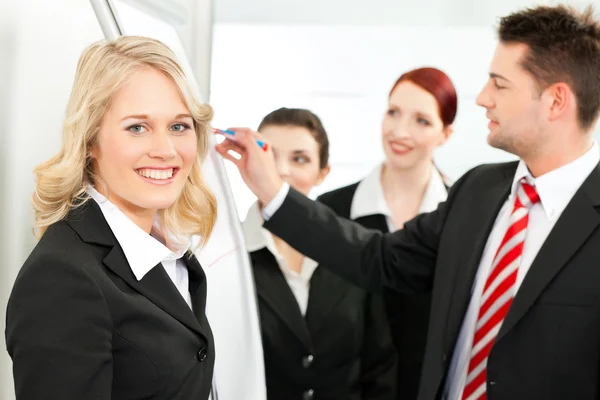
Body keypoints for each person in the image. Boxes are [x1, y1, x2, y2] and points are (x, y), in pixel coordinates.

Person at [216, 4, 600, 400]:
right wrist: (273, 193)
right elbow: (380, 258)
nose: (483, 98)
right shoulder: (477, 191)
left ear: (556, 101)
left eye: (500, 85)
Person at [5, 36, 218, 400]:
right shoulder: (62, 277)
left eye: (179, 126)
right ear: (90, 140)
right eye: (137, 127)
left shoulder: (168, 249)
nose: (165, 150)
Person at [317, 67, 456, 400]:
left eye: (421, 120)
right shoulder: (332, 209)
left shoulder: (461, 216)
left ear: (445, 134)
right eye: (393, 112)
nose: (399, 131)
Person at [243, 107, 397, 399]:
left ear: (322, 173)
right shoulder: (226, 255)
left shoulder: (352, 253)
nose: (283, 170)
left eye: (299, 158)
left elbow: (379, 365)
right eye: (270, 156)